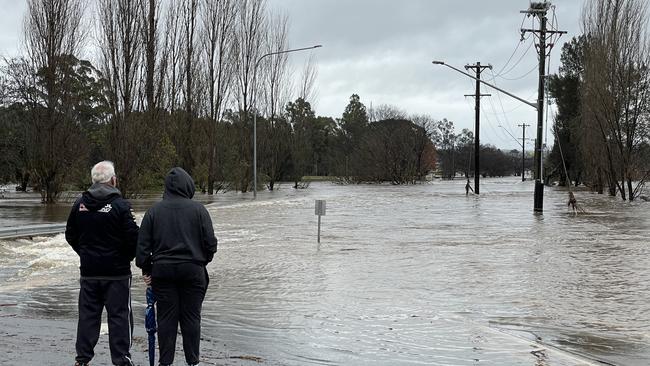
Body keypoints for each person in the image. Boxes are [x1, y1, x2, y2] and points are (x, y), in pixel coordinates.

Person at [136, 167, 217, 366]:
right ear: (188, 186)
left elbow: (142, 250)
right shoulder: (199, 210)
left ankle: (165, 362)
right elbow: (211, 244)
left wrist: (147, 270)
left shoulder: (153, 211)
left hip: (163, 271)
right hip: (193, 270)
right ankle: (192, 361)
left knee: (166, 319)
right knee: (191, 317)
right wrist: (201, 261)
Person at [65, 161, 139, 366]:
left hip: (89, 272)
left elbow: (70, 234)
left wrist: (85, 253)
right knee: (120, 317)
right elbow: (135, 238)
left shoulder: (79, 204)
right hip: (117, 274)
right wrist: (126, 257)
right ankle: (121, 359)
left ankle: (82, 360)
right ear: (113, 180)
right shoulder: (122, 206)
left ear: (93, 181)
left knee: (88, 317)